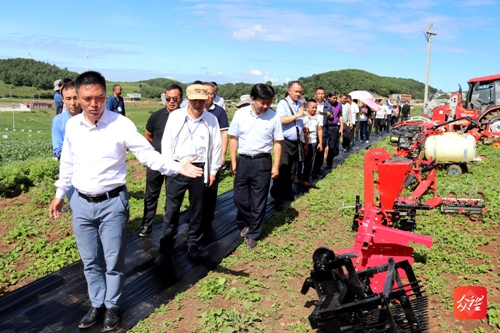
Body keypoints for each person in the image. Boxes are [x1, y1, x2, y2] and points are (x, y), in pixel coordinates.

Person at [48, 71, 202, 331]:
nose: (94, 104)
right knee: (90, 260)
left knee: (113, 260)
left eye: (99, 98)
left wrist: (176, 166)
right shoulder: (72, 126)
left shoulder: (120, 124)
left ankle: (112, 306)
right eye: (87, 99)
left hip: (112, 203)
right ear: (77, 98)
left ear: (105, 95)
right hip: (81, 203)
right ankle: (96, 304)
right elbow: (68, 163)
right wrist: (60, 194)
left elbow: (147, 154)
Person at [156, 84, 222, 263]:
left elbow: (216, 146)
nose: (198, 104)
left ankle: (193, 244)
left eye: (202, 100)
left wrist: (213, 170)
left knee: (198, 210)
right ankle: (166, 248)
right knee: (172, 210)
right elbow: (167, 143)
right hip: (178, 167)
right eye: (194, 100)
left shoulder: (211, 120)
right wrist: (168, 167)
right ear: (187, 99)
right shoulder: (176, 116)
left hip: (200, 168)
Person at [229, 83, 283, 249]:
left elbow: (277, 142)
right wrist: (233, 160)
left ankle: (253, 234)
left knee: (258, 200)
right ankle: (251, 222)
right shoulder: (240, 114)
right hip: (243, 160)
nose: (266, 106)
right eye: (262, 102)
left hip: (262, 161)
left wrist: (276, 165)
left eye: (269, 102)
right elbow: (234, 138)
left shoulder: (274, 117)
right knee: (239, 198)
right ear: (253, 99)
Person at [138, 84, 183, 237]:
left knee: (173, 197)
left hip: (176, 164)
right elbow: (148, 136)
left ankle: (168, 229)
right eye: (168, 98)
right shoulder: (156, 116)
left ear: (181, 99)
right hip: (156, 162)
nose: (171, 101)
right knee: (151, 195)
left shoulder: (185, 117)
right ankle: (146, 225)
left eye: (175, 99)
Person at [270, 81, 306, 204]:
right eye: (296, 91)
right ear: (289, 90)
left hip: (296, 141)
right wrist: (297, 115)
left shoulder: (299, 103)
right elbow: (281, 120)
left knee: (293, 168)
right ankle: (277, 194)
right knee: (283, 168)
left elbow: (299, 120)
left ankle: (288, 190)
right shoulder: (283, 103)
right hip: (284, 142)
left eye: (300, 92)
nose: (298, 94)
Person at [51, 80, 83, 209]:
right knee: (77, 207)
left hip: (93, 170)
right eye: (68, 99)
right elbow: (58, 148)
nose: (73, 103)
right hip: (71, 170)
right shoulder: (59, 121)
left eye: (76, 98)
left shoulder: (92, 117)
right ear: (63, 100)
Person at [202, 82, 229, 229]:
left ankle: (208, 217)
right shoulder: (192, 109)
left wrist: (223, 154)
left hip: (213, 155)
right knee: (195, 187)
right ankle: (195, 214)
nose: (207, 96)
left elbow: (224, 133)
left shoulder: (219, 112)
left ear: (214, 95)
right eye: (204, 93)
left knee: (211, 187)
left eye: (210, 94)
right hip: (197, 156)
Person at [299, 100, 323, 186]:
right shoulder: (302, 116)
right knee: (300, 160)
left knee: (309, 161)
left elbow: (320, 130)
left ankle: (306, 178)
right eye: (312, 107)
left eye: (315, 107)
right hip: (302, 141)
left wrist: (320, 143)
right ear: (307, 107)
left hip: (312, 141)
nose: (314, 109)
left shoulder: (318, 117)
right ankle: (298, 177)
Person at [324, 90, 343, 167]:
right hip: (325, 126)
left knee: (332, 145)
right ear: (329, 97)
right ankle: (321, 161)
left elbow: (340, 116)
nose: (335, 99)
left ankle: (329, 162)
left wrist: (341, 127)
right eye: (334, 98)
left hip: (334, 127)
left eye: (336, 98)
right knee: (323, 144)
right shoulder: (325, 104)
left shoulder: (339, 105)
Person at [313, 87, 327, 174]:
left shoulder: (327, 105)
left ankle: (317, 169)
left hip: (323, 130)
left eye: (322, 94)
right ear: (315, 94)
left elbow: (330, 115)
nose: (321, 95)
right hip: (313, 130)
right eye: (319, 93)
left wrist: (323, 113)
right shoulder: (310, 104)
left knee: (320, 151)